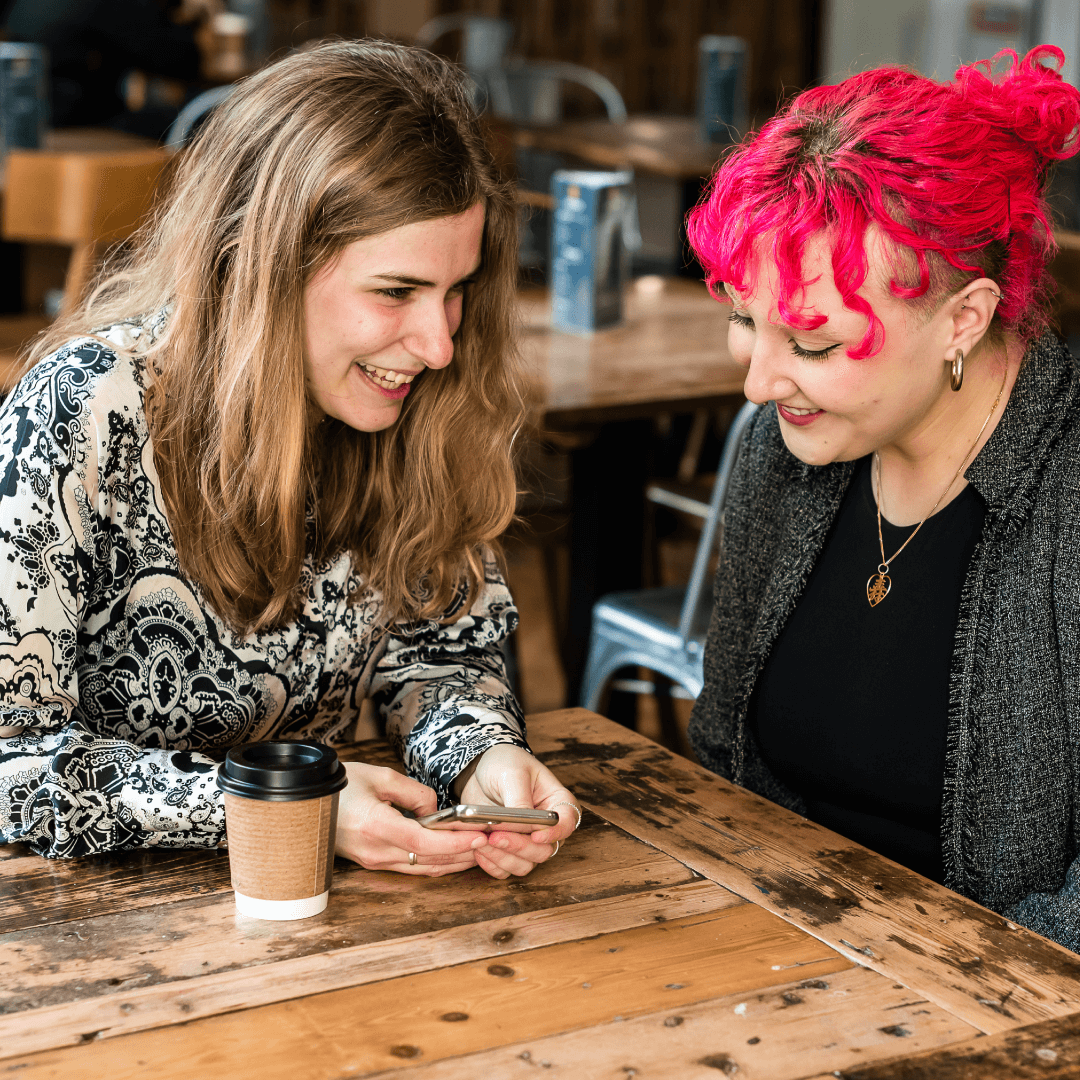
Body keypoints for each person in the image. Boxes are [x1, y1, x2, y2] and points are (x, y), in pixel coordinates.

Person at [0, 39, 579, 876]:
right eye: (397, 291)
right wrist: (283, 806)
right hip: (94, 925)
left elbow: (445, 654)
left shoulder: (414, 404)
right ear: (260, 268)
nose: (441, 344)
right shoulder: (84, 406)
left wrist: (482, 757)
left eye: (456, 292)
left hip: (331, 907)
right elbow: (12, 762)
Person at [685, 46, 1080, 951]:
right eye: (747, 321)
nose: (758, 383)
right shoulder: (784, 451)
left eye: (814, 345)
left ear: (965, 320)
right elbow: (725, 762)